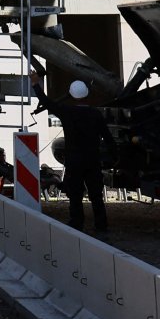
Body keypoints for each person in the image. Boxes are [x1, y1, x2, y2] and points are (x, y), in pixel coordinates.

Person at [40, 79, 115, 233]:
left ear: (71, 94)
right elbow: (108, 138)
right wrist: (114, 156)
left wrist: (35, 85)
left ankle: (76, 223)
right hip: (92, 160)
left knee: (75, 194)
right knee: (96, 195)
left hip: (74, 161)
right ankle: (101, 226)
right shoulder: (95, 114)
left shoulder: (67, 111)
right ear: (87, 94)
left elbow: (47, 103)